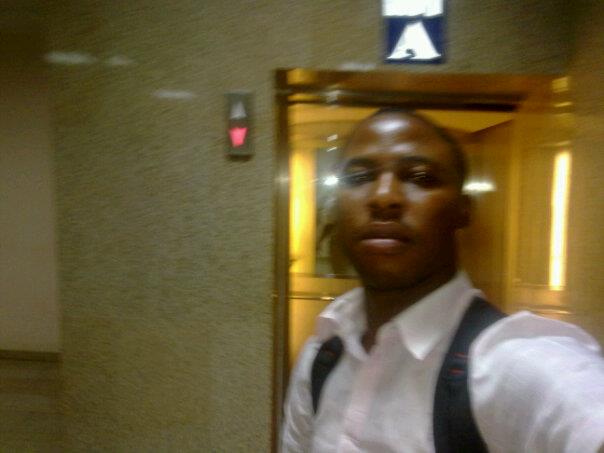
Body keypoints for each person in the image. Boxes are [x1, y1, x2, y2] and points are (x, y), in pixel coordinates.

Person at [281, 109, 604, 453]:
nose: (383, 197)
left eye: (420, 177)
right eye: (359, 177)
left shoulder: (507, 363)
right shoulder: (323, 355)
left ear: (463, 210)